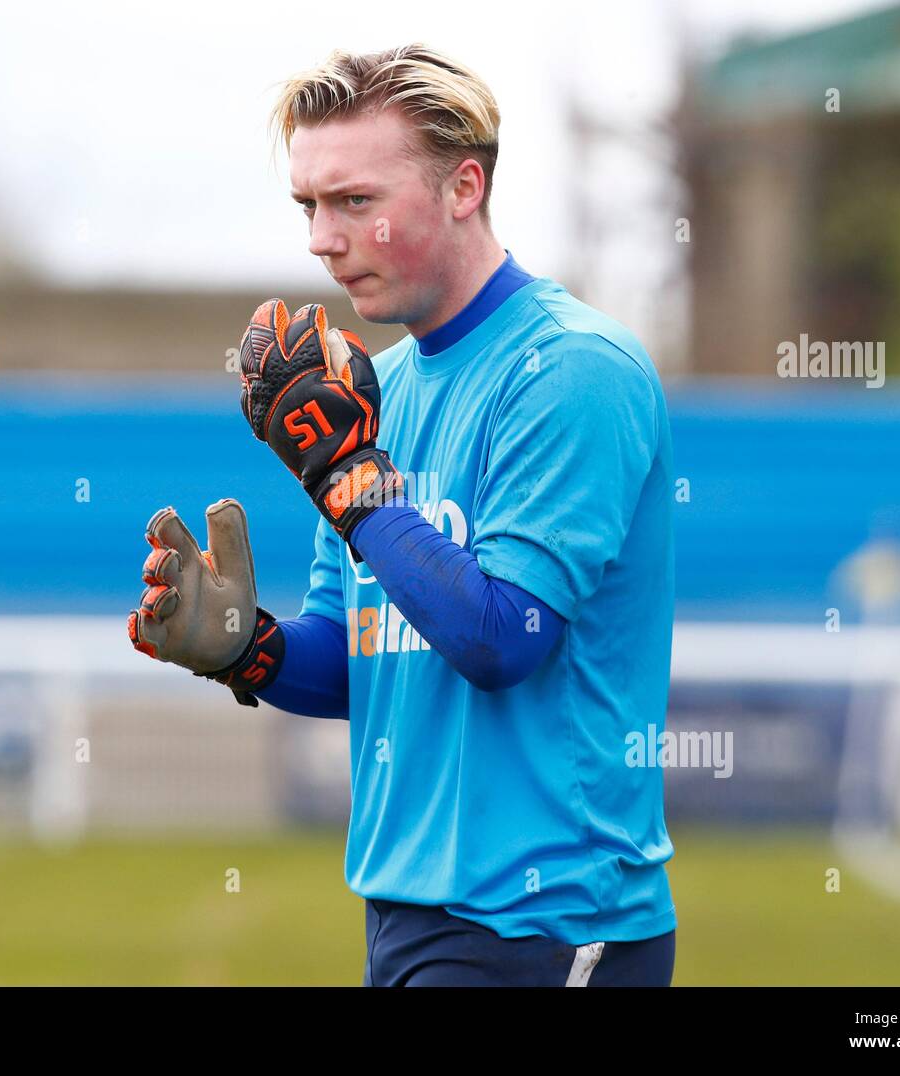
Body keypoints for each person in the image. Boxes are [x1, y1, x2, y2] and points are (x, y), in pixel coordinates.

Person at [128, 43, 677, 987]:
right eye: (309, 205)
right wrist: (244, 649)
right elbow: (360, 657)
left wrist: (350, 480)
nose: (320, 239)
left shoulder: (573, 371)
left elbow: (505, 641)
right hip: (410, 916)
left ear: (465, 188)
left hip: (543, 921)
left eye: (355, 202)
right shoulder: (381, 391)